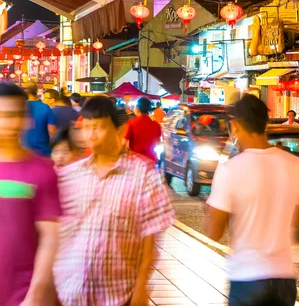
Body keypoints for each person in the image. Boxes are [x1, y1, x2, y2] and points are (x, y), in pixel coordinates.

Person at [53, 96, 174, 306]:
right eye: (87, 127)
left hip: (117, 295)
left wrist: (140, 289)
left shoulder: (144, 175)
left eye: (99, 127)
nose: (91, 134)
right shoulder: (69, 175)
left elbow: (150, 242)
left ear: (118, 130)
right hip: (70, 293)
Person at [205, 94, 299, 306]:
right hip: (284, 278)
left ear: (235, 125)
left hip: (247, 277)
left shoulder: (230, 169)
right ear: (265, 124)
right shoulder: (295, 164)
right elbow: (298, 221)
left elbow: (214, 232)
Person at [0, 82, 61, 306]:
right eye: (2, 115)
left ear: (26, 119)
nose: (9, 123)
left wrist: (35, 295)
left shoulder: (42, 171)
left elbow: (51, 237)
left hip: (24, 296)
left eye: (15, 115)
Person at [124, 97, 162, 163]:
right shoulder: (156, 124)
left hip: (135, 160)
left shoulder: (132, 122)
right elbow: (158, 142)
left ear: (138, 109)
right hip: (151, 160)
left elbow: (124, 143)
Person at [23, 85, 57, 156]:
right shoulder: (45, 107)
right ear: (36, 93)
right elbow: (51, 130)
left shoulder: (21, 106)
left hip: (24, 146)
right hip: (42, 148)